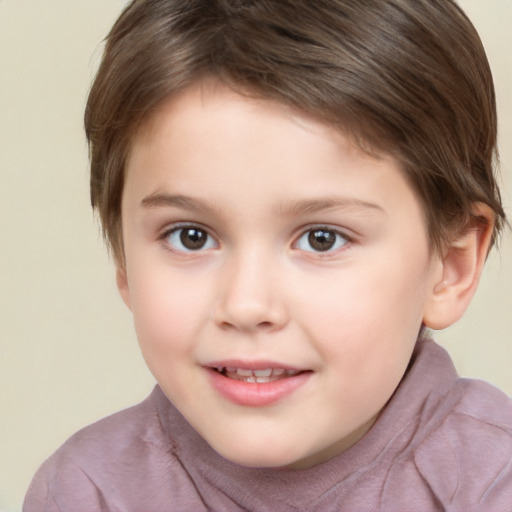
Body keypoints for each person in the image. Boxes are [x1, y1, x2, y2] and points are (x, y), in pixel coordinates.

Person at [24, 0, 511, 510]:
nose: (246, 305)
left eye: (322, 238)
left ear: (450, 267)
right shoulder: (88, 492)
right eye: (190, 236)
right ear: (124, 260)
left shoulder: (492, 482)